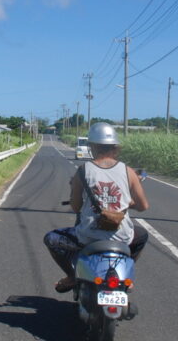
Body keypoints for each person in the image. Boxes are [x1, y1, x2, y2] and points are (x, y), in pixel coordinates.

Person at [43, 122, 150, 293]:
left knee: (51, 239)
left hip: (88, 236)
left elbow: (77, 207)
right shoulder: (128, 171)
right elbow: (143, 206)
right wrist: (128, 204)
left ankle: (71, 276)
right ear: (115, 147)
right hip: (122, 237)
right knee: (142, 235)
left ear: (92, 146)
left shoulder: (83, 170)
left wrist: (74, 190)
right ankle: (126, 277)